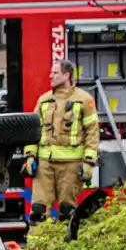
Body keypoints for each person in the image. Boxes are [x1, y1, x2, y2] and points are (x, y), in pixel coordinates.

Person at [22, 60, 100, 224]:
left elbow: (92, 133)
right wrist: (30, 156)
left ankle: (65, 248)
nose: (50, 76)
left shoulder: (84, 100)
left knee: (67, 211)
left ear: (67, 75)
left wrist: (89, 162)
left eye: (55, 73)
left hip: (71, 166)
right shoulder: (44, 100)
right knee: (38, 211)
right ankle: (39, 246)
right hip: (45, 166)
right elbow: (32, 131)